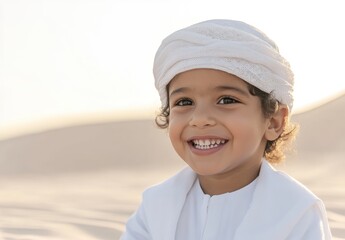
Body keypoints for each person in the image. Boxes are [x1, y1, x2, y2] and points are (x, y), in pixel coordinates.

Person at [120, 19, 332, 240]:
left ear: (273, 122)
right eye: (184, 102)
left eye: (226, 100)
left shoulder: (296, 211)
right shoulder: (155, 206)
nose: (200, 119)